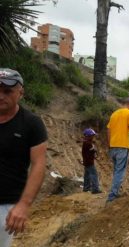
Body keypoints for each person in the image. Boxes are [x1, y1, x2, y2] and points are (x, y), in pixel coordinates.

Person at [0, 68, 47, 247]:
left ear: (21, 92)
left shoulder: (31, 124)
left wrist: (24, 204)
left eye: (7, 91)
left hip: (6, 206)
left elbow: (38, 164)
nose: (1, 95)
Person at [106, 97, 129, 202]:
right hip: (123, 146)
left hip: (113, 146)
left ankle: (115, 192)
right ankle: (112, 196)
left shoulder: (114, 114)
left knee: (116, 171)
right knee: (119, 172)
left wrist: (109, 145)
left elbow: (108, 130)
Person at [81, 128, 102, 194]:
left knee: (87, 175)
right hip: (89, 162)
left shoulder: (86, 143)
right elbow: (93, 151)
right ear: (88, 136)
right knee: (94, 174)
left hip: (86, 162)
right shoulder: (88, 144)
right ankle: (95, 189)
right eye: (92, 136)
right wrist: (94, 150)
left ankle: (86, 188)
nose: (93, 137)